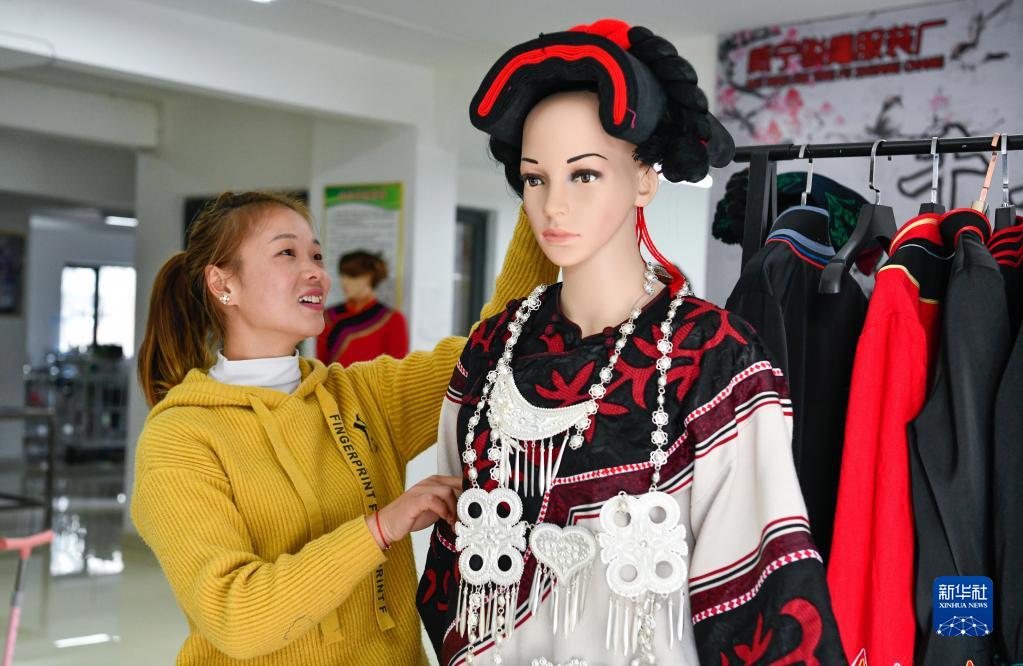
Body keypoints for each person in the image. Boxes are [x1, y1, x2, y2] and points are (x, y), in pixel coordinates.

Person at [417, 20, 846, 666]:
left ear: (644, 178)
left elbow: (760, 591)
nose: (553, 206)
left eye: (584, 175)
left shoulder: (714, 356)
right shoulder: (490, 350)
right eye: (535, 178)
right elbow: (452, 574)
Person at [131, 191, 556, 665]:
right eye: (287, 252)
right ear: (222, 282)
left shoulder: (363, 394)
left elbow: (498, 342)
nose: (317, 272)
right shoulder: (179, 437)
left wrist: (541, 193)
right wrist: (382, 527)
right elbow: (237, 616)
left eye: (316, 255)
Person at [317, 250, 409, 366]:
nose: (344, 282)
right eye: (342, 275)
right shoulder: (328, 316)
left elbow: (398, 369)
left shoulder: (392, 319)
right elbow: (321, 366)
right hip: (335, 378)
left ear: (369, 277)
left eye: (352, 276)